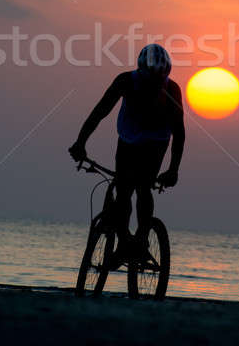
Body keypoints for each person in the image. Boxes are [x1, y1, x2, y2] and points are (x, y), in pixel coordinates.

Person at [69, 44, 185, 267]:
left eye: (159, 82)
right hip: (128, 140)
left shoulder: (172, 90)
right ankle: (123, 244)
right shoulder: (125, 81)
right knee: (123, 190)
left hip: (156, 142)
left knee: (143, 187)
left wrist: (173, 169)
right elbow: (99, 112)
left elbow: (179, 132)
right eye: (150, 81)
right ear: (141, 72)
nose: (154, 87)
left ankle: (141, 241)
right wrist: (80, 142)